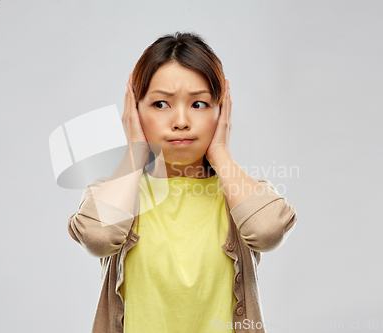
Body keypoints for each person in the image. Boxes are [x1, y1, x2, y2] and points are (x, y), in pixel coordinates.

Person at [68, 31, 298, 333]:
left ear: (221, 111)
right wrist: (136, 153)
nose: (180, 120)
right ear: (134, 111)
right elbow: (97, 236)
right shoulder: (111, 193)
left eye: (199, 105)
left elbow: (268, 231)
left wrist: (219, 151)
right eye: (161, 104)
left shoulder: (243, 196)